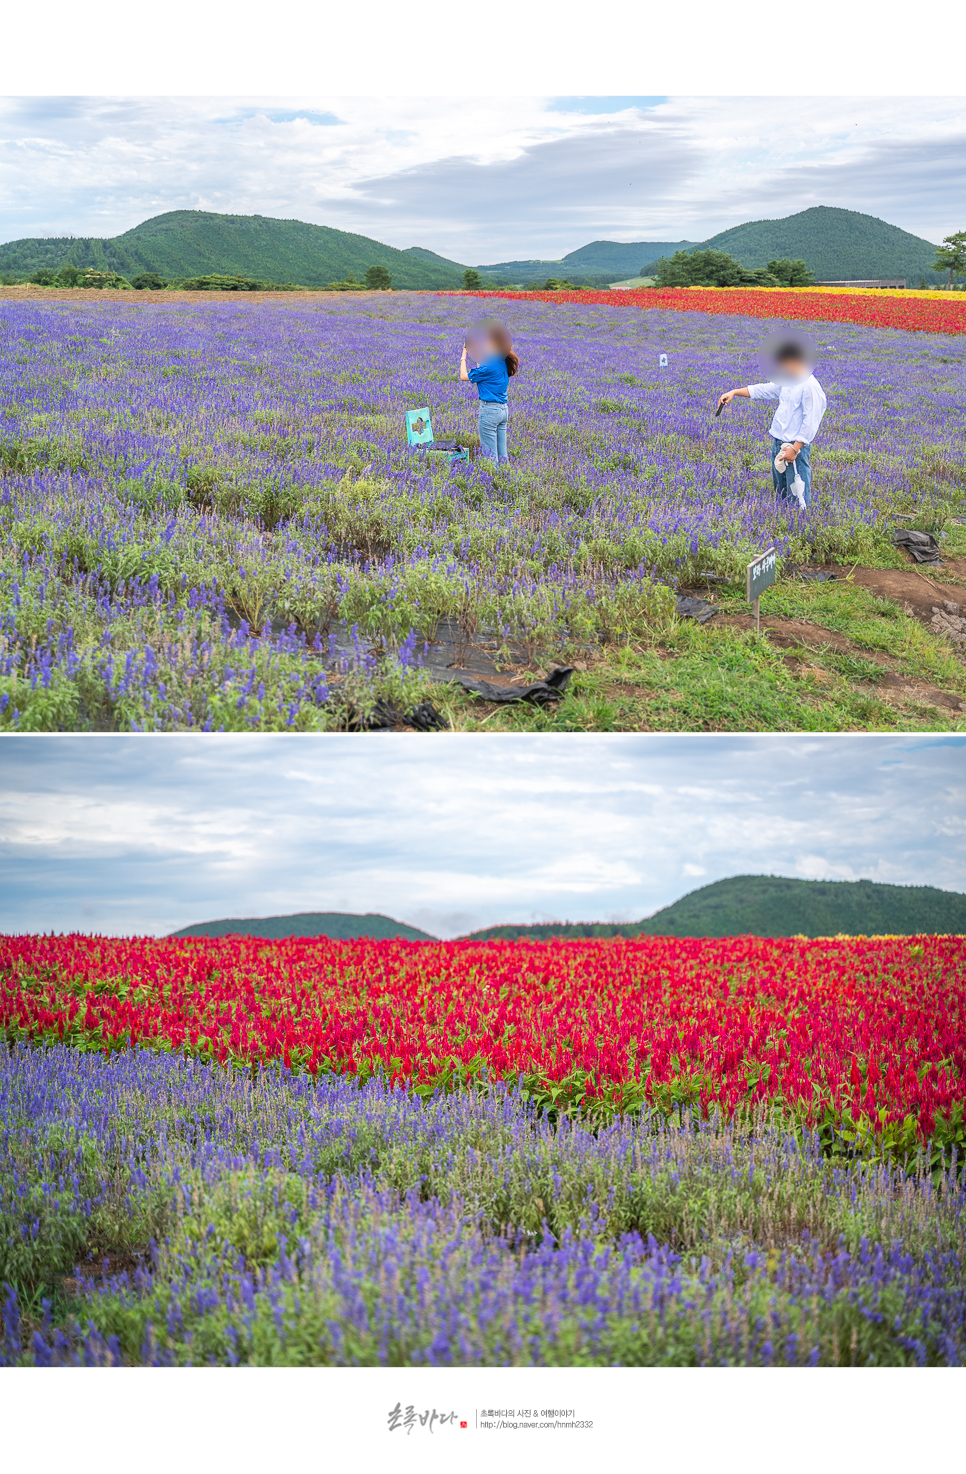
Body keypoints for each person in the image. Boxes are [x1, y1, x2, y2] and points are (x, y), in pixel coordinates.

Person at [717, 340, 827, 508]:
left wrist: (795, 448)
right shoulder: (789, 379)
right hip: (779, 443)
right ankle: (783, 525)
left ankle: (800, 527)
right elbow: (766, 390)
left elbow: (811, 422)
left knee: (798, 494)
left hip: (794, 448)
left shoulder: (810, 387)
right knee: (781, 492)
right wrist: (735, 392)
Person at [459, 322, 519, 465]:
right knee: (502, 455)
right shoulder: (502, 360)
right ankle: (505, 480)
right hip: (503, 411)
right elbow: (484, 370)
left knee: (490, 457)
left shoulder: (491, 364)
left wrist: (464, 356)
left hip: (489, 412)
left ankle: (493, 484)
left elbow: (463, 376)